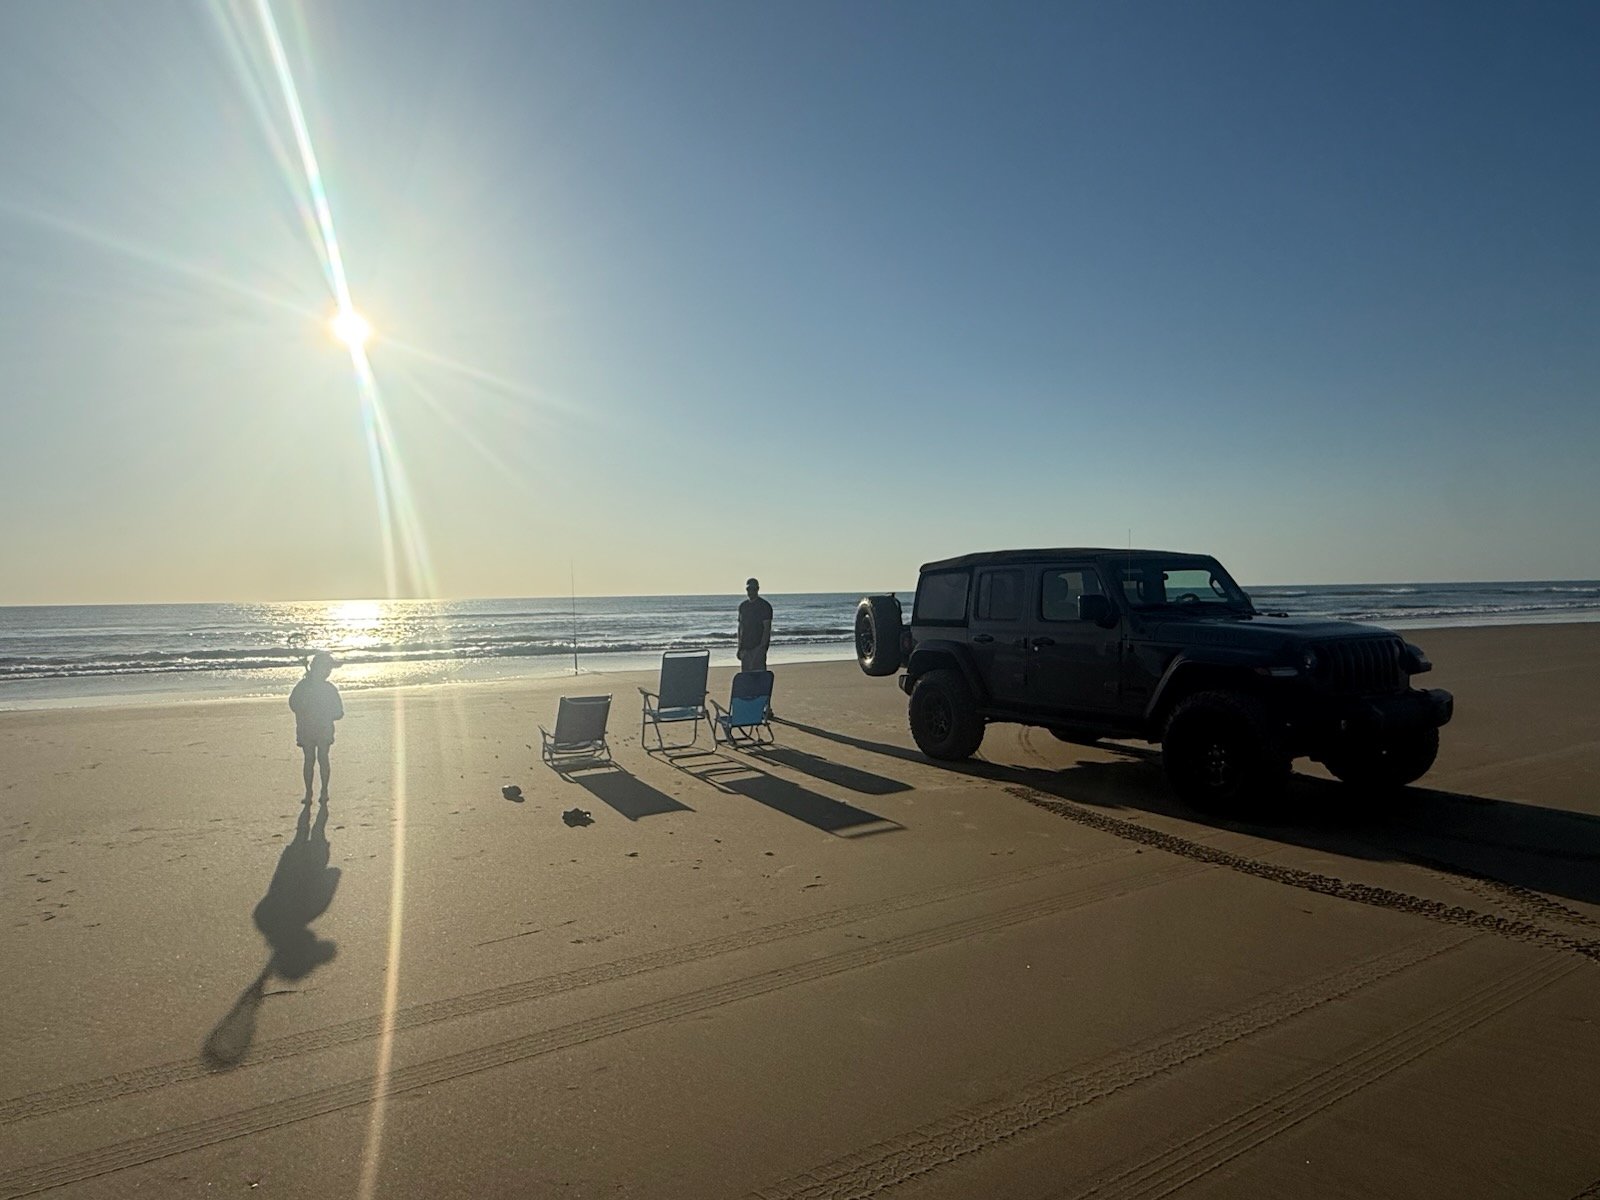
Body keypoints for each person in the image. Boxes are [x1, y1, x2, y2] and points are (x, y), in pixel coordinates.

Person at [289, 651, 344, 804]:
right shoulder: (304, 686)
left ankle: (323, 791)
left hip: (322, 728)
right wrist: (306, 707)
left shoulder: (328, 689)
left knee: (320, 759)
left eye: (329, 669)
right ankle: (310, 793)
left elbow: (339, 712)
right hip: (308, 728)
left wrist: (326, 713)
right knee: (311, 760)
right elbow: (293, 704)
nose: (327, 672)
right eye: (326, 668)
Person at [737, 577, 773, 674]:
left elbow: (767, 629)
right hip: (745, 649)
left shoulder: (765, 606)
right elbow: (741, 628)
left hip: (758, 648)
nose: (751, 591)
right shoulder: (743, 606)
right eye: (748, 589)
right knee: (746, 676)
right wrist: (739, 648)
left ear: (757, 589)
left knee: (759, 676)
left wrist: (762, 648)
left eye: (753, 589)